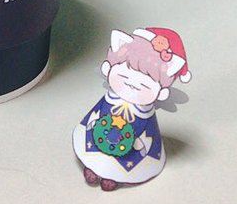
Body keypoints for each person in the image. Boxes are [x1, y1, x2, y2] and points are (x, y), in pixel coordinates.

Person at [73, 27, 191, 190]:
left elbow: (144, 131)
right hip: (99, 138)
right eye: (125, 75)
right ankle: (93, 167)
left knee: (125, 162)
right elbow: (99, 113)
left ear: (161, 91)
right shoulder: (112, 99)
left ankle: (113, 177)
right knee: (94, 149)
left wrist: (139, 145)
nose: (133, 83)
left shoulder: (144, 112)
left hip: (129, 152)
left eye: (144, 83)